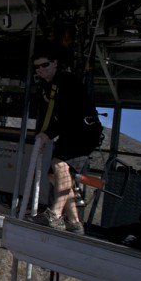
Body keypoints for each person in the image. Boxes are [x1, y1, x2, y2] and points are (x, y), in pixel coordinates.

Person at [30, 46, 103, 235]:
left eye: (44, 65)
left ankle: (54, 215)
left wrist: (47, 134)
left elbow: (68, 112)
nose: (40, 69)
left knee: (59, 165)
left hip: (83, 131)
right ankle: (74, 221)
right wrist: (43, 135)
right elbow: (49, 114)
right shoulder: (48, 87)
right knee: (54, 175)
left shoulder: (66, 81)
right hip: (70, 132)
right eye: (37, 67)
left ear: (55, 63)